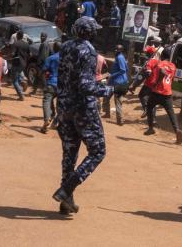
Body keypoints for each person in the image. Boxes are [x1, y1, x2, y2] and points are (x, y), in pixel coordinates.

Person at [52, 17, 113, 215]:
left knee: (69, 154)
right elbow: (86, 86)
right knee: (98, 151)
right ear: (90, 33)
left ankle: (66, 202)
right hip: (83, 110)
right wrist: (108, 90)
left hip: (64, 108)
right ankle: (67, 189)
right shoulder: (88, 51)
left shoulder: (66, 47)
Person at [144, 48, 182, 143]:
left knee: (149, 107)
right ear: (169, 57)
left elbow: (159, 74)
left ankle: (151, 128)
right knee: (171, 113)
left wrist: (155, 83)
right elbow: (171, 79)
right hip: (167, 92)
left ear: (162, 56)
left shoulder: (159, 64)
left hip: (157, 91)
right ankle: (177, 130)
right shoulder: (173, 66)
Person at [128, 46, 158, 119]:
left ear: (149, 53)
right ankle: (153, 119)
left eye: (146, 52)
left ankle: (146, 109)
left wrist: (134, 85)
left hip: (149, 83)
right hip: (156, 83)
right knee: (152, 101)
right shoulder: (157, 61)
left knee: (141, 95)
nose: (145, 53)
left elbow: (144, 75)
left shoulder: (149, 62)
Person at [103, 44, 128, 125]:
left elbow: (123, 70)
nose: (115, 51)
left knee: (117, 101)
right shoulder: (121, 57)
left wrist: (112, 75)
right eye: (116, 49)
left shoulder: (120, 57)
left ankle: (120, 119)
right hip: (116, 82)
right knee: (107, 96)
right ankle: (107, 113)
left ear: (120, 51)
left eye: (117, 50)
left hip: (118, 83)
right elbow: (126, 69)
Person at [41, 42, 61, 133]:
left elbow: (44, 69)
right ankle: (56, 120)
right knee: (60, 105)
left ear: (54, 48)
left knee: (47, 101)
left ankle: (46, 120)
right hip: (62, 86)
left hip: (51, 83)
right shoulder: (67, 59)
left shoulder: (50, 58)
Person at [10, 31, 30, 101]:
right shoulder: (26, 44)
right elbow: (29, 54)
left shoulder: (16, 44)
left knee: (14, 81)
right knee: (18, 74)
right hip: (23, 64)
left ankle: (21, 95)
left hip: (16, 63)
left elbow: (12, 54)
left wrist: (8, 56)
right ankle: (23, 79)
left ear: (18, 36)